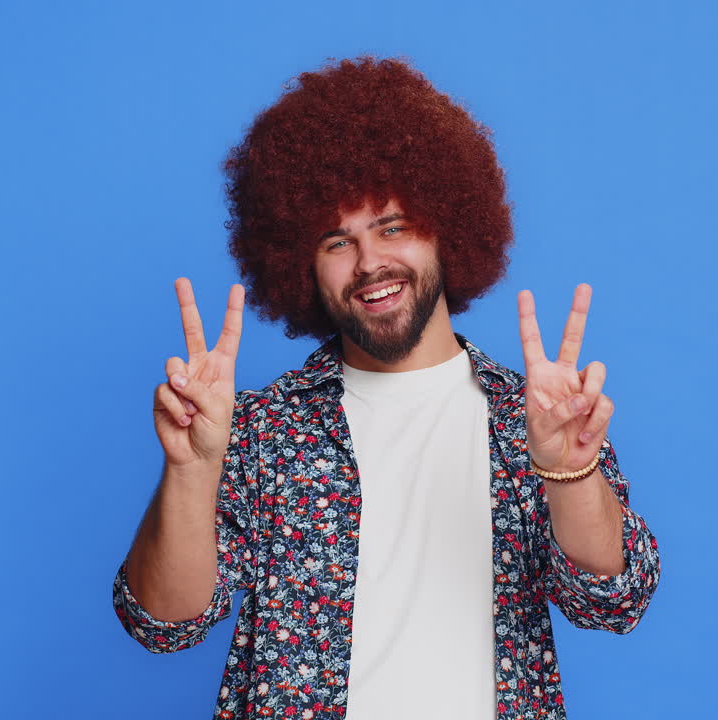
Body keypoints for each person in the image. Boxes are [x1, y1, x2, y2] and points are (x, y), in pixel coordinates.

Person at [113, 55, 661, 720]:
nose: (371, 262)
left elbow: (615, 600)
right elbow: (163, 624)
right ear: (299, 264)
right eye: (335, 241)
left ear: (446, 225)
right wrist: (193, 469)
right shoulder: (259, 432)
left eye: (392, 226)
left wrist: (569, 471)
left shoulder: (536, 417)